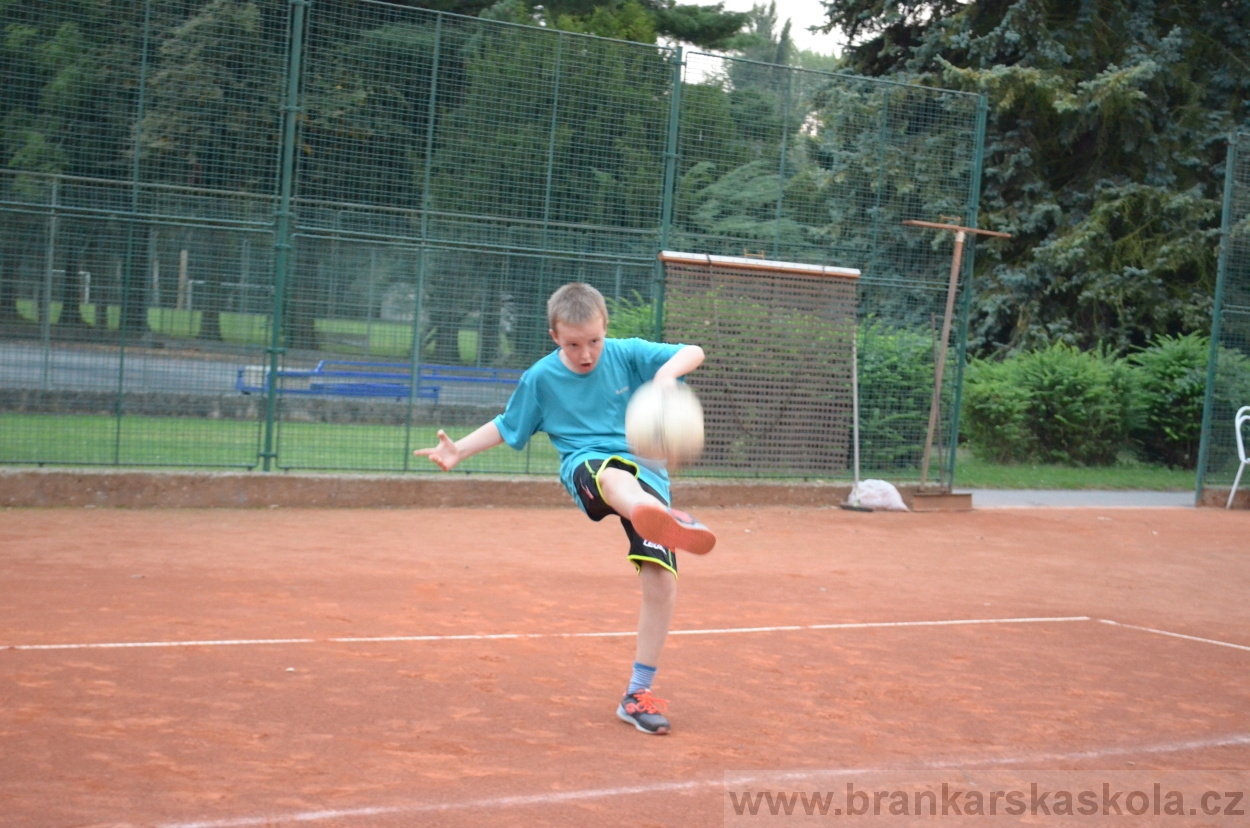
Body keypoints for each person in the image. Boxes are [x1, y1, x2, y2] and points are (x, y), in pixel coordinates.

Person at [414, 282, 716, 735]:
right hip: (587, 467)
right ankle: (651, 512)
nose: (586, 353)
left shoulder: (627, 353)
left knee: (660, 583)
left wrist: (664, 376)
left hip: (648, 473)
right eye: (573, 344)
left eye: (594, 341)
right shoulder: (540, 379)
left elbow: (693, 350)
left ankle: (636, 695)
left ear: (605, 330)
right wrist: (459, 451)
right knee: (615, 476)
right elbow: (507, 424)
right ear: (555, 336)